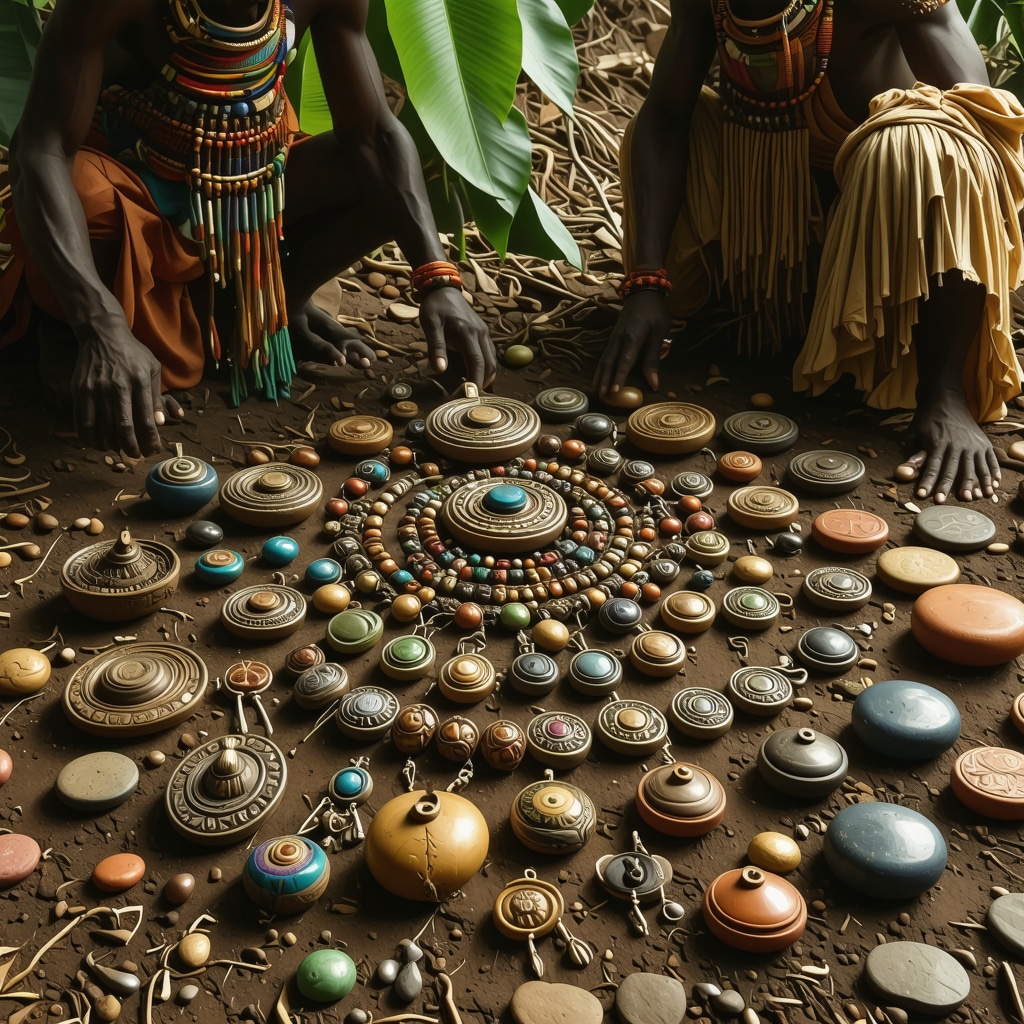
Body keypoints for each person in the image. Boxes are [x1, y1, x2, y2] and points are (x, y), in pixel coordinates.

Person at [0, 0, 496, 458]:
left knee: (382, 179)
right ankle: (72, 331)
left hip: (253, 179)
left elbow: (373, 134)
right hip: (134, 186)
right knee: (82, 197)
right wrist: (100, 325)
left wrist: (437, 279)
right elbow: (39, 151)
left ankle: (263, 311)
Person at [596, 0, 1024, 504]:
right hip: (772, 244)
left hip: (887, 268)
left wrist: (949, 390)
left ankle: (940, 387)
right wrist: (647, 281)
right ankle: (761, 316)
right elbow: (666, 118)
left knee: (926, 141)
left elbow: (983, 132)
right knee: (677, 121)